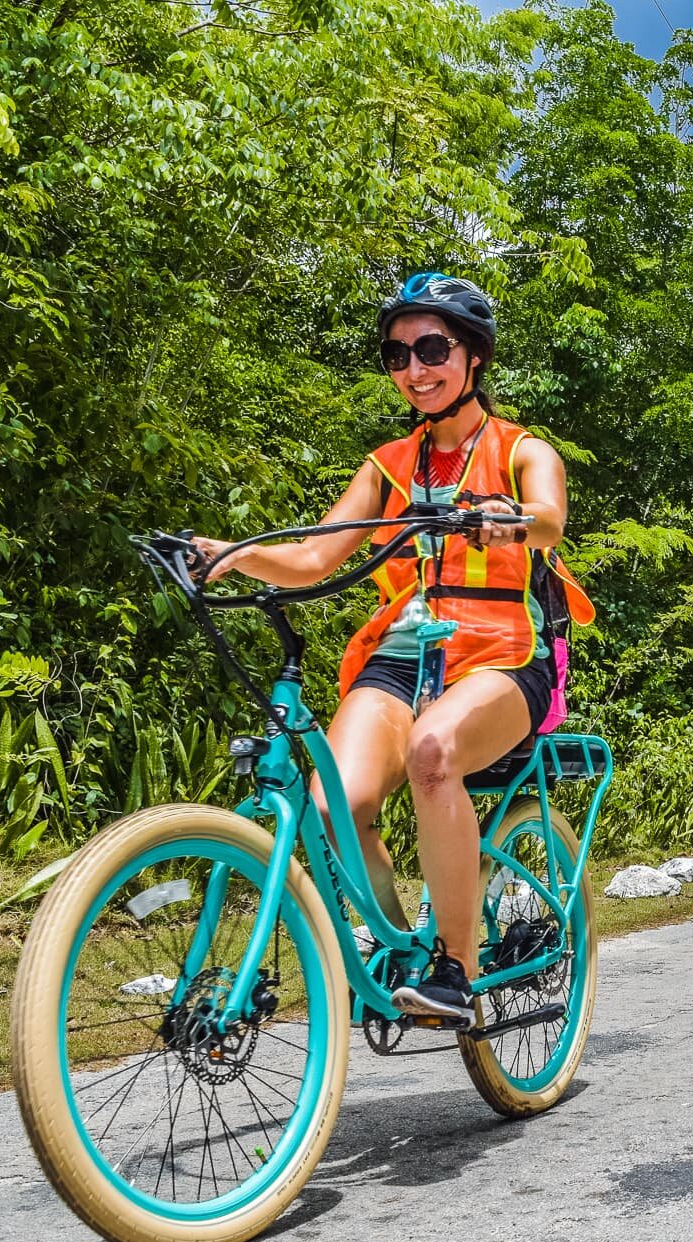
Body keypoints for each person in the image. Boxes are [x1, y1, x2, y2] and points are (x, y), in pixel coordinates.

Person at [192, 272, 593, 1028]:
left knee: (434, 753)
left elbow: (549, 521)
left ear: (473, 356)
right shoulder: (386, 466)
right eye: (398, 354)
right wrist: (233, 554)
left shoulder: (523, 450)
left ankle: (456, 967)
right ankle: (394, 952)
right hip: (403, 654)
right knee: (329, 807)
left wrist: (497, 520)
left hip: (504, 654)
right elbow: (314, 557)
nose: (416, 368)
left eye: (433, 348)